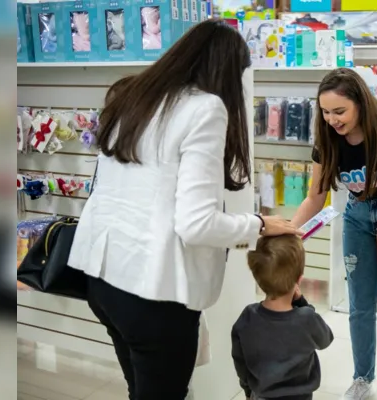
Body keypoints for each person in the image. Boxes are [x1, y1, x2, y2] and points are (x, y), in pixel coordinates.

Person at [67, 19, 301, 400]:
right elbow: (196, 223)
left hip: (104, 280)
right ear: (227, 72)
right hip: (153, 295)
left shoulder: (134, 96)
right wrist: (257, 224)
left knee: (140, 389)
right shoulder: (205, 108)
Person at [290, 68, 377, 400]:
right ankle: (362, 379)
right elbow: (315, 196)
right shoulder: (328, 139)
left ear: (360, 104)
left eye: (340, 111)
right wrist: (291, 232)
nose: (332, 119)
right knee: (360, 307)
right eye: (325, 112)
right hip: (358, 218)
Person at [232, 235, 334, 400]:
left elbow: (240, 361)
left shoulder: (248, 317)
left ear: (258, 279)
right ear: (299, 279)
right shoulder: (306, 318)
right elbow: (326, 339)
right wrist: (301, 303)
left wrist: (248, 390)